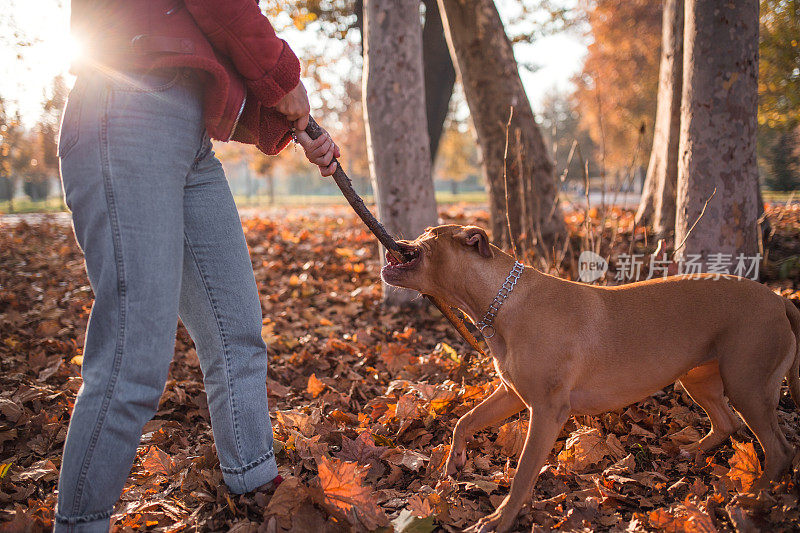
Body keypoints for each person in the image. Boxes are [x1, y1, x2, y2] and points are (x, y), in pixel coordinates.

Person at [55, 1, 337, 531]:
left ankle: (253, 479)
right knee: (133, 357)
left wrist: (293, 119)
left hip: (185, 127)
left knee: (235, 329)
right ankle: (79, 524)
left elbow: (203, 42)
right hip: (127, 109)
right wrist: (282, 80)